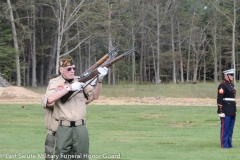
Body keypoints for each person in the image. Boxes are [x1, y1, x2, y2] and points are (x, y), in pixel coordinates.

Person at [43, 55, 108, 160]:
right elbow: (50, 100)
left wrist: (99, 79)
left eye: (74, 68)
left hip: (80, 127)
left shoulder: (79, 81)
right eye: (69, 69)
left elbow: (94, 96)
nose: (72, 71)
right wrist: (70, 88)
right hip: (63, 127)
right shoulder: (55, 82)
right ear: (61, 70)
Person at [41, 75, 98, 160]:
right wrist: (68, 89)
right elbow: (51, 103)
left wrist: (91, 84)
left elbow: (89, 100)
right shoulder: (48, 97)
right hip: (55, 134)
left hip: (71, 133)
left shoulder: (69, 96)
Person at [217, 68, 236, 148]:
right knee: (225, 128)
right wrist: (220, 111)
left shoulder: (232, 85)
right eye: (231, 75)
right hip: (225, 110)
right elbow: (220, 99)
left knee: (230, 128)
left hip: (232, 109)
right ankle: (224, 144)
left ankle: (229, 143)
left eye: (233, 75)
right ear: (226, 75)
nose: (232, 77)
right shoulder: (223, 85)